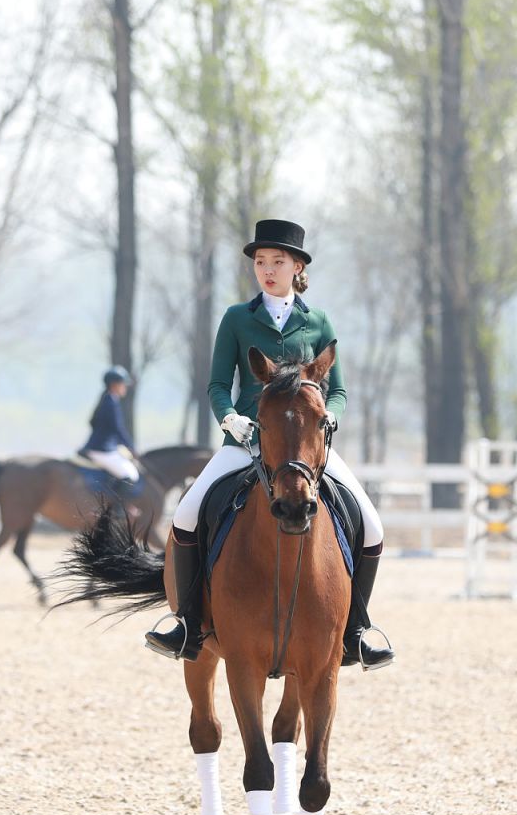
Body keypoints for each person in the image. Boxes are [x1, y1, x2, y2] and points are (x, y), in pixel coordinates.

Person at [145, 219, 394, 670]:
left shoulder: (317, 321)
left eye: (277, 261)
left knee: (372, 527)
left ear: (297, 266)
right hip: (245, 440)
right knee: (185, 516)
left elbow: (336, 388)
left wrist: (331, 415)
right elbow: (219, 383)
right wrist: (230, 418)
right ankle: (186, 623)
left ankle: (356, 629)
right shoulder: (238, 319)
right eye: (260, 262)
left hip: (305, 448)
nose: (267, 269)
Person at [80, 365, 140, 484]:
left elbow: (92, 423)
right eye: (123, 384)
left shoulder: (106, 399)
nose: (125, 387)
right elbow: (117, 429)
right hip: (102, 449)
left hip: (101, 446)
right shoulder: (111, 403)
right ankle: (117, 503)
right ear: (114, 385)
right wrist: (131, 448)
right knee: (130, 475)